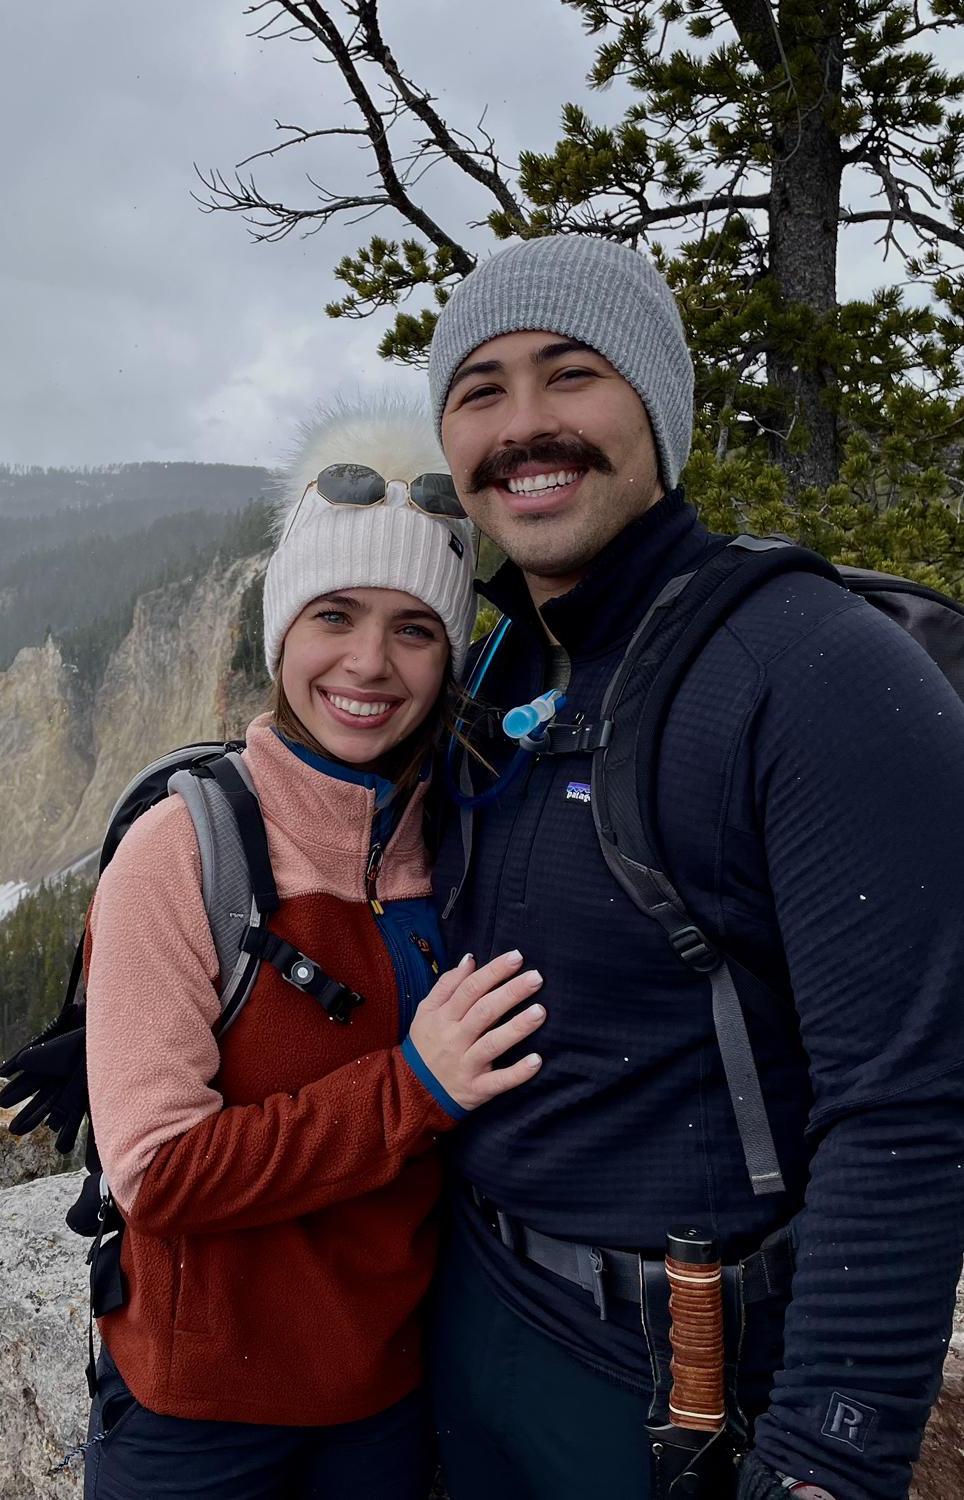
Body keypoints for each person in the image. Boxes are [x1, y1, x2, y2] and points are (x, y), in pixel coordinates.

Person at [423, 235, 964, 1500]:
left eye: (572, 375)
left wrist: (829, 1454)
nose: (526, 425)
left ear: (661, 407)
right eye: (481, 391)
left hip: (674, 1397)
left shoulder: (812, 670)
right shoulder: (511, 667)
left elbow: (908, 1110)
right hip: (469, 1329)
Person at [80, 399, 547, 1499]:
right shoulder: (183, 851)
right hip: (197, 1422)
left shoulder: (460, 846)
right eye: (334, 615)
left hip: (388, 1404)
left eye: (415, 628)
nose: (370, 664)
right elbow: (156, 1172)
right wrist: (413, 1087)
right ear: (282, 628)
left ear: (450, 656)